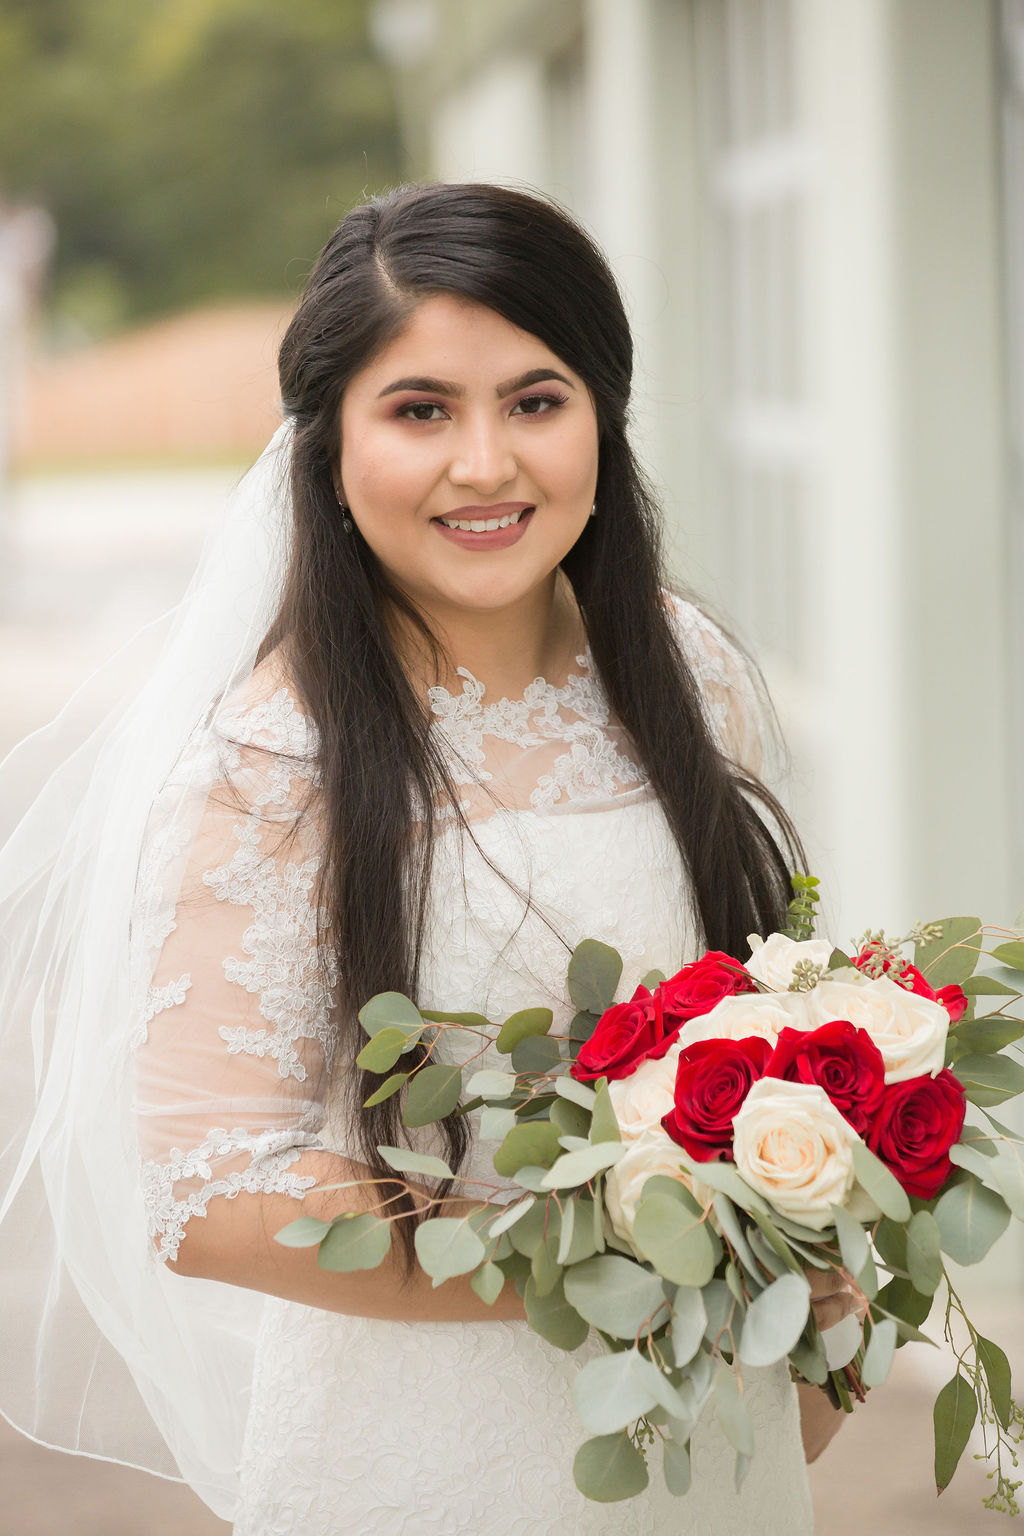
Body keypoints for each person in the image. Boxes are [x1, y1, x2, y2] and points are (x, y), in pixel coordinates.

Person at [0, 182, 852, 1534]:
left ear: (602, 414)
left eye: (535, 399)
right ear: (326, 443)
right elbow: (210, 1193)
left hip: (702, 1437)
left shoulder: (689, 676)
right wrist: (604, 1240)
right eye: (420, 411)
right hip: (422, 1457)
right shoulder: (274, 765)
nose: (486, 464)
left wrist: (808, 1209)